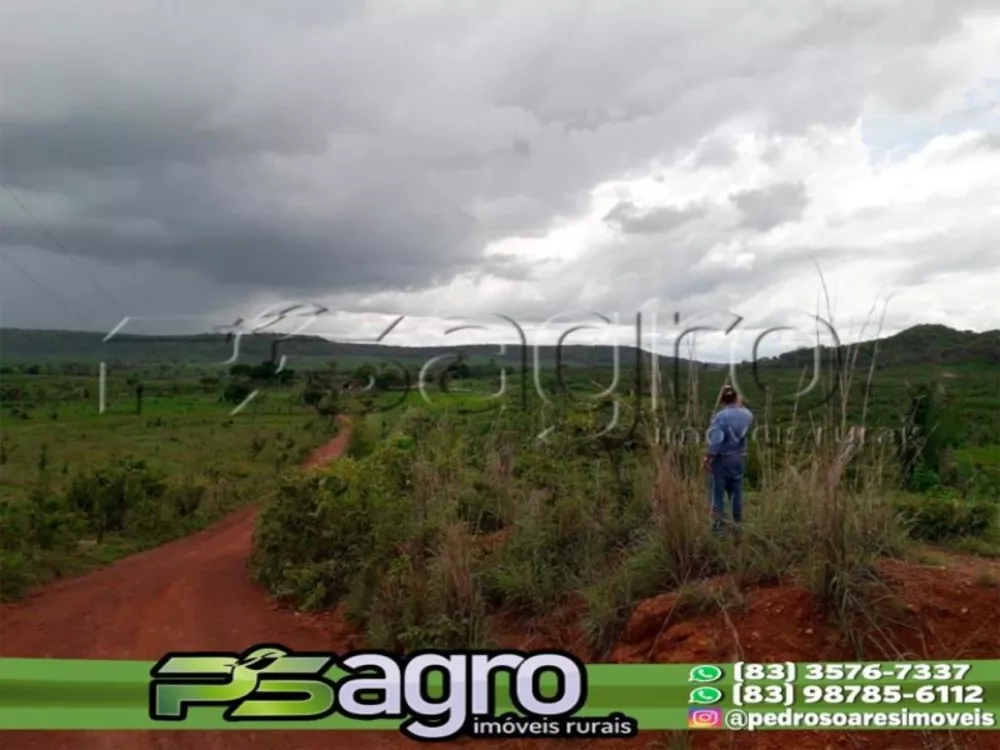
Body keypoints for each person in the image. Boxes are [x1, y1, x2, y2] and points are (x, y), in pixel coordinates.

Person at [703, 385, 754, 536]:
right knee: (736, 492)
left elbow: (717, 440)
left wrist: (708, 457)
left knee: (717, 493)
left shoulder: (721, 416)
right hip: (739, 458)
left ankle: (718, 529)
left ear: (722, 400)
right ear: (736, 397)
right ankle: (738, 526)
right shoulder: (748, 415)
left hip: (722, 459)